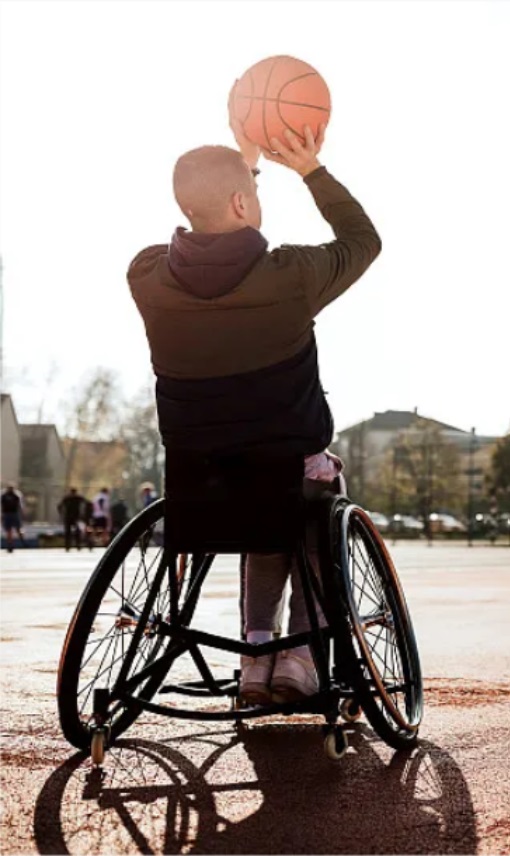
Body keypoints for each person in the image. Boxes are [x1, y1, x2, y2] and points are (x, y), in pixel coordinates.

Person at [128, 87, 380, 707]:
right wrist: (310, 169)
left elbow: (199, 227)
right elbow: (362, 239)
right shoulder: (291, 275)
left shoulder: (146, 277)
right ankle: (295, 654)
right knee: (312, 492)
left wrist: (240, 162)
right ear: (243, 201)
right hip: (291, 475)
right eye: (256, 189)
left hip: (200, 487)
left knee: (264, 506)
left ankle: (254, 655)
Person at [1, 484, 24, 552]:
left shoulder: (14, 495)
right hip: (10, 514)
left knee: (14, 530)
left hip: (11, 514)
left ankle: (16, 542)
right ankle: (11, 544)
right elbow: (20, 506)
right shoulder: (7, 495)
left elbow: (20, 505)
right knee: (11, 530)